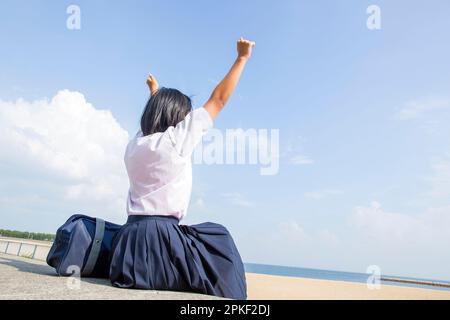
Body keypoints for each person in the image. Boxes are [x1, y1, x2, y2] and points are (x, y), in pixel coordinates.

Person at [109, 37, 255, 299]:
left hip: (128, 243)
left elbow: (154, 118)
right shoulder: (176, 141)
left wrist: (155, 92)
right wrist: (242, 58)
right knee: (219, 238)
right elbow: (218, 100)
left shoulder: (134, 145)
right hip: (161, 240)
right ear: (177, 120)